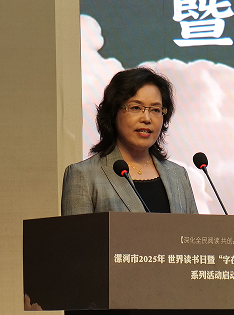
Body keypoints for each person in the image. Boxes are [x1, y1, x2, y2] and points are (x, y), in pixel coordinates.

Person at [62, 67, 199, 215]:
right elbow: (77, 231)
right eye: (136, 108)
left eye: (155, 110)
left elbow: (193, 229)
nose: (146, 118)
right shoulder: (84, 175)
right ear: (113, 112)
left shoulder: (178, 175)